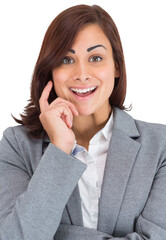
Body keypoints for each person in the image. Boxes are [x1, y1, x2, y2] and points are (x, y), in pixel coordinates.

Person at [0, 4, 166, 240]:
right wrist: (59, 148)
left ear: (116, 66)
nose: (81, 73)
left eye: (95, 58)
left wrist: (57, 234)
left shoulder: (160, 146)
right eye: (66, 60)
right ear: (50, 70)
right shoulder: (16, 145)